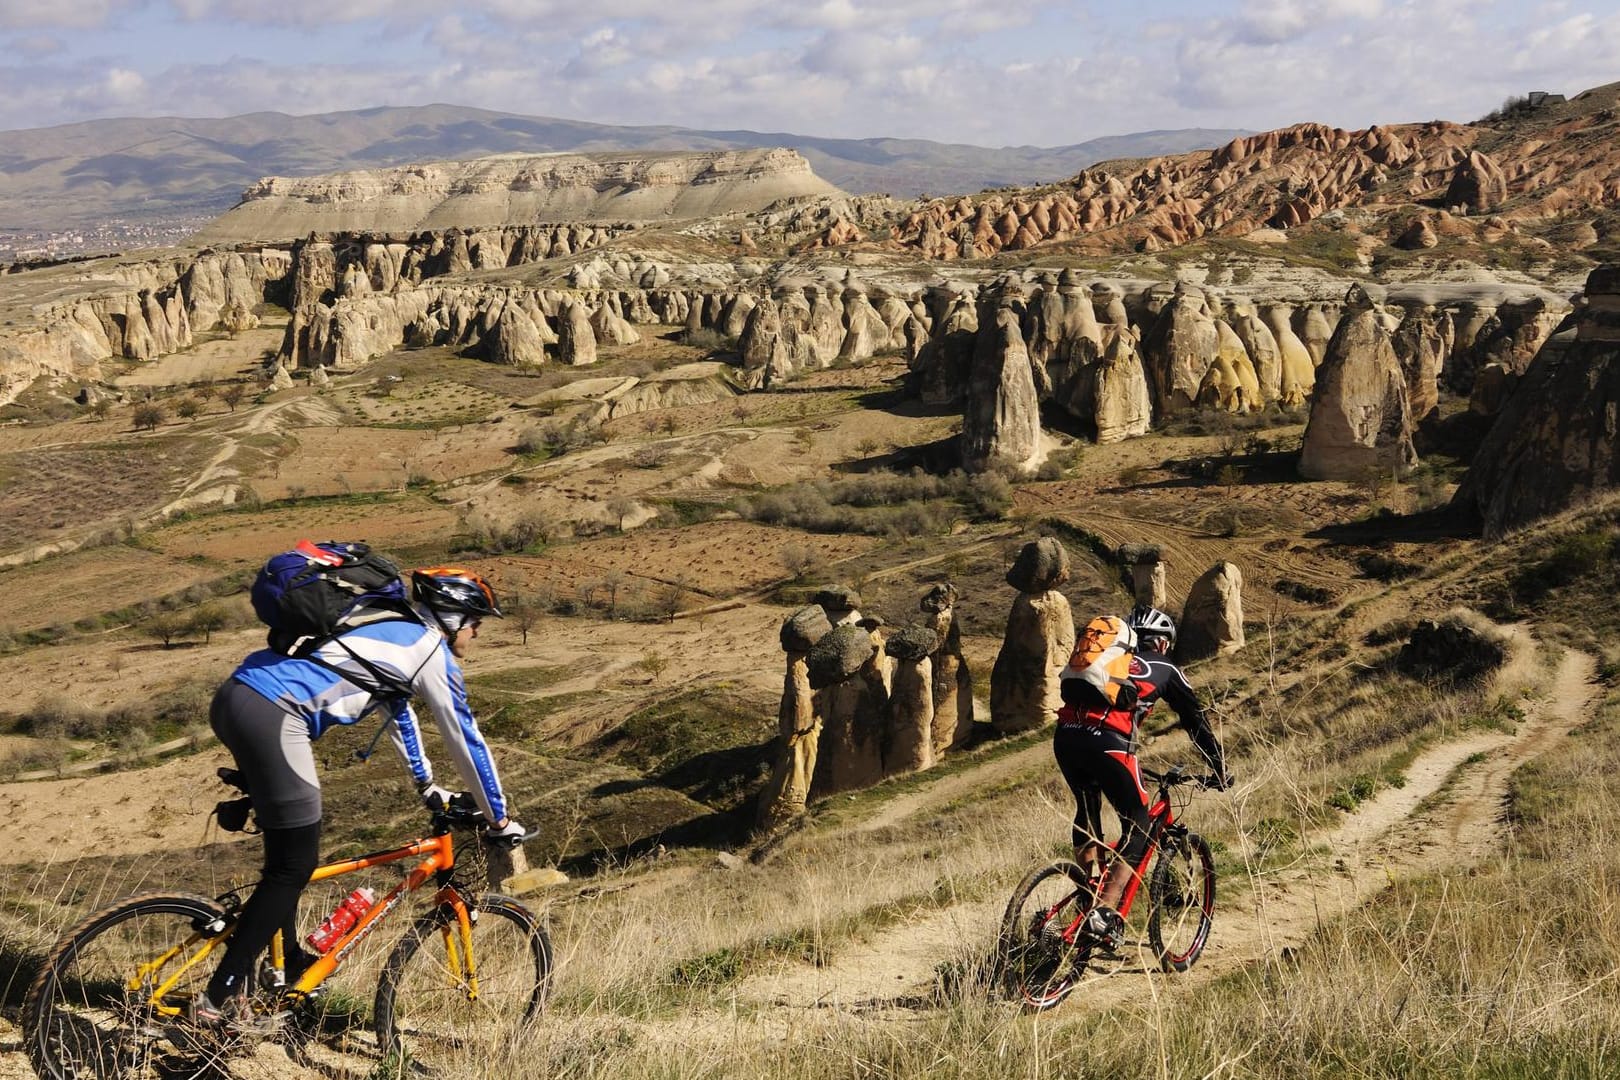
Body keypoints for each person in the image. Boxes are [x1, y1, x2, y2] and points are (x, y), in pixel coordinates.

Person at [194, 566, 525, 1025]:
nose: (476, 632)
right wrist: (500, 819)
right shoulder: (429, 649)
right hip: (273, 715)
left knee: (284, 864)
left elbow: (399, 712)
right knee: (295, 866)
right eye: (475, 621)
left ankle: (285, 965)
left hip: (236, 697)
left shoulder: (387, 629)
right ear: (451, 616)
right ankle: (218, 1001)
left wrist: (427, 786)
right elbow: (464, 738)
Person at [1053, 604, 1229, 951]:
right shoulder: (1167, 668)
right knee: (1140, 823)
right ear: (1163, 644)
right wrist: (1218, 767)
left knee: (1087, 807)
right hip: (1110, 744)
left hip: (1066, 735)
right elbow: (1196, 722)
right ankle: (1103, 913)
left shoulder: (1110, 667)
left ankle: (1089, 893)